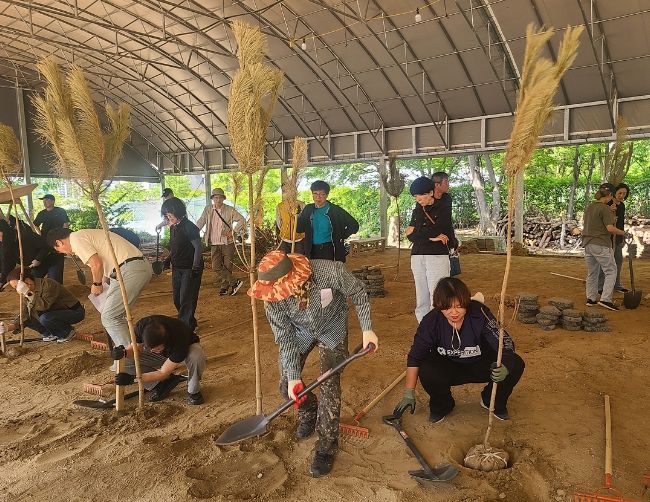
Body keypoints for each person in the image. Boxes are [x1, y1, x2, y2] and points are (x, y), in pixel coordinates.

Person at [249, 250, 378, 477]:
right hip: (300, 333)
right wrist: (294, 378)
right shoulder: (272, 300)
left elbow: (358, 291)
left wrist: (367, 329)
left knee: (329, 384)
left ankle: (327, 446)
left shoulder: (330, 271)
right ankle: (309, 411)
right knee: (286, 385)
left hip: (332, 328)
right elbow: (285, 339)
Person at [393, 277, 525, 423]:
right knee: (427, 369)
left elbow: (504, 342)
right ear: (438, 305)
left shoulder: (480, 313)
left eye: (459, 306)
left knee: (515, 364)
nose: (454, 312)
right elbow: (415, 357)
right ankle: (442, 405)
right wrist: (409, 392)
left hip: (481, 363)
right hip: (448, 366)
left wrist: (505, 366)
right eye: (447, 307)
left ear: (466, 302)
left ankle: (491, 401)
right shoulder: (431, 321)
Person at [47, 227, 152, 347]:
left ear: (59, 242)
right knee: (115, 314)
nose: (65, 253)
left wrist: (96, 284)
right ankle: (130, 348)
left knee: (110, 317)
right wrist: (102, 285)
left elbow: (96, 264)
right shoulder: (85, 236)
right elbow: (104, 269)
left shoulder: (76, 239)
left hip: (129, 269)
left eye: (59, 251)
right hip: (130, 268)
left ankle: (128, 354)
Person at [112, 314, 206, 405]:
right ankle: (161, 384)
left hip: (186, 350)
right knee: (124, 361)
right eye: (150, 348)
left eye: (157, 348)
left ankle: (193, 391)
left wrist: (133, 379)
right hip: (164, 353)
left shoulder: (179, 338)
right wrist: (124, 352)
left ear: (165, 341)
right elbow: (135, 350)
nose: (153, 351)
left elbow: (163, 372)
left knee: (196, 357)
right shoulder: (141, 326)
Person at [405, 177, 452, 323]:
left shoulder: (443, 208)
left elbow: (436, 229)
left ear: (431, 193)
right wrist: (431, 237)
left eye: (421, 195)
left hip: (437, 256)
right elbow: (409, 235)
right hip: (417, 255)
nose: (418, 199)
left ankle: (439, 324)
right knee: (421, 294)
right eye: (416, 196)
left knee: (437, 292)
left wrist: (420, 232)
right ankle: (423, 324)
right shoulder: (417, 211)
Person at [5, 268, 85, 342]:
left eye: (17, 287)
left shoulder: (48, 284)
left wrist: (28, 293)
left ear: (27, 280)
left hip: (73, 312)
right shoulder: (25, 292)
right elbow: (24, 312)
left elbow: (43, 306)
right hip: (53, 312)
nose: (17, 290)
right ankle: (49, 333)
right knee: (28, 316)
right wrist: (9, 327)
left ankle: (67, 333)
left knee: (45, 318)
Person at [161, 197, 203, 332]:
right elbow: (175, 247)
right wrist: (168, 259)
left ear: (178, 212)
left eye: (170, 215)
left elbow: (198, 248)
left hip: (189, 268)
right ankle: (190, 322)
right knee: (177, 299)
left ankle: (185, 328)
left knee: (187, 298)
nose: (169, 218)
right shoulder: (174, 227)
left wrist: (195, 267)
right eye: (167, 216)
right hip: (177, 267)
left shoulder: (189, 227)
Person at [583, 183, 627, 311]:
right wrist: (623, 233)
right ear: (610, 195)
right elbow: (610, 228)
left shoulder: (590, 207)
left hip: (588, 243)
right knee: (611, 270)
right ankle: (606, 299)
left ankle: (591, 299)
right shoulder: (604, 208)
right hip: (601, 243)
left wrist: (611, 212)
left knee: (592, 272)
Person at [196, 188, 246, 296]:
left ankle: (224, 287)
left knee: (227, 266)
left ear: (223, 199)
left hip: (228, 242)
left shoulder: (229, 209)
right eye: (216, 197)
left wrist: (233, 231)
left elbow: (242, 219)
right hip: (214, 243)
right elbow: (201, 221)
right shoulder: (208, 209)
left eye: (220, 198)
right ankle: (234, 282)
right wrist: (193, 231)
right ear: (212, 198)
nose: (218, 200)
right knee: (216, 267)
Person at [296, 180, 359, 262]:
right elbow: (299, 229)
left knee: (330, 270)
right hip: (312, 250)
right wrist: (297, 216)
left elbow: (354, 225)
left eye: (322, 194)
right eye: (315, 193)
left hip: (329, 250)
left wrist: (340, 236)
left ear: (327, 195)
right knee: (314, 270)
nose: (318, 197)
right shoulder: (308, 209)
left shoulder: (335, 210)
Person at [598, 183, 630, 293]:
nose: (622, 195)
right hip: (607, 238)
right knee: (605, 263)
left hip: (618, 238)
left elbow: (620, 223)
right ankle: (600, 286)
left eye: (624, 194)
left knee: (618, 260)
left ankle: (616, 284)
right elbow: (601, 220)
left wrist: (622, 237)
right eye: (620, 193)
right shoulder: (607, 203)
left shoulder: (622, 206)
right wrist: (609, 210)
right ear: (614, 193)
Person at [33, 194, 70, 283]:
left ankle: (55, 279)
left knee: (57, 258)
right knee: (44, 257)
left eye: (47, 200)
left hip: (58, 241)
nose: (44, 202)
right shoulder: (42, 213)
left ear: (53, 201)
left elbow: (65, 224)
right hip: (45, 240)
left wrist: (64, 237)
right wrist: (40, 234)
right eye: (43, 200)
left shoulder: (60, 211)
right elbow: (35, 224)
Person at [276, 184, 306, 254]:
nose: (287, 193)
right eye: (284, 191)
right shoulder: (280, 206)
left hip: (299, 240)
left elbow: (305, 221)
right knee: (284, 258)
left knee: (297, 259)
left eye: (289, 190)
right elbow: (279, 222)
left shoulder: (301, 205)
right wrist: (285, 230)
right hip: (284, 239)